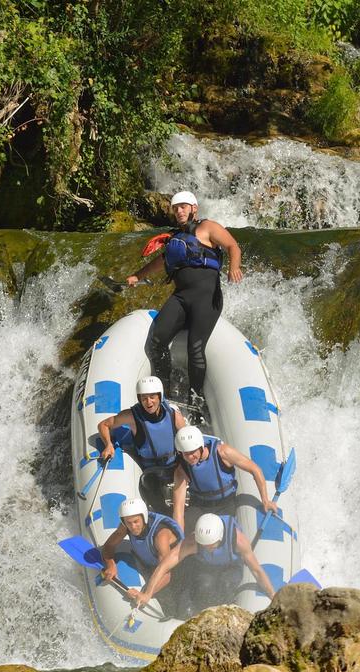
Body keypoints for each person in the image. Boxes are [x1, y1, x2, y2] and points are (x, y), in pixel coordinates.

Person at [125, 191, 243, 405]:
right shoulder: (174, 238)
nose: (179, 211)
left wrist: (234, 267)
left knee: (195, 348)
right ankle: (165, 391)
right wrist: (137, 275)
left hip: (206, 298)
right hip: (181, 298)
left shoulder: (207, 227)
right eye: (176, 207)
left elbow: (232, 246)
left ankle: (196, 401)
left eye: (184, 206)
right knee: (156, 341)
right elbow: (160, 262)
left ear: (193, 208)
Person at [128, 512, 275, 614]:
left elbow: (256, 571)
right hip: (207, 568)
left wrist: (272, 595)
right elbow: (164, 565)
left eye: (211, 545)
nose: (207, 548)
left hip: (231, 567)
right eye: (204, 545)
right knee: (204, 586)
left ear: (220, 537)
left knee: (226, 584)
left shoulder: (239, 541)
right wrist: (147, 593)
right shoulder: (193, 542)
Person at [97, 376, 188, 511]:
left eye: (152, 397)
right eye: (144, 398)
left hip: (174, 465)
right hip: (151, 470)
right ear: (139, 399)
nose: (148, 402)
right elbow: (103, 425)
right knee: (152, 491)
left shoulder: (173, 414)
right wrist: (108, 445)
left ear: (159, 396)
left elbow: (187, 440)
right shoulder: (132, 416)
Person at [171, 424, 277, 529]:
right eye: (186, 454)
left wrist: (265, 500)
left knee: (225, 535)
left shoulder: (223, 452)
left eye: (193, 452)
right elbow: (178, 510)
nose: (190, 457)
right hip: (199, 506)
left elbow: (255, 469)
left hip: (225, 503)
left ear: (201, 446)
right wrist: (180, 537)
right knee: (190, 532)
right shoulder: (181, 470)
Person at [100, 497, 183, 606]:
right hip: (149, 564)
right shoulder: (125, 527)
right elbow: (108, 546)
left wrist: (143, 594)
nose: (133, 527)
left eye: (136, 521)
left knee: (170, 603)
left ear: (144, 518)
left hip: (175, 572)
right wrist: (111, 565)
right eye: (129, 523)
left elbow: (166, 575)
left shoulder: (160, 536)